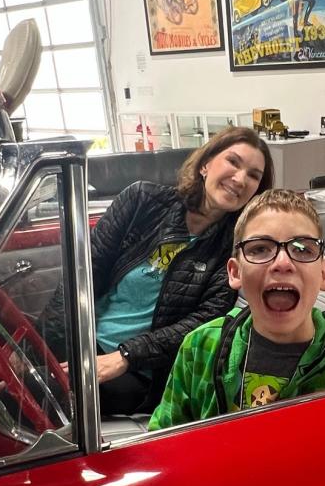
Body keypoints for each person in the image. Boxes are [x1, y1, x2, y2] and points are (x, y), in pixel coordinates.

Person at [46, 127, 273, 414]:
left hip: (138, 371)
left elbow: (200, 323)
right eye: (233, 162)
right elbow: (83, 275)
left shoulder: (235, 248)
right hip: (84, 341)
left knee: (29, 398)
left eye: (254, 175)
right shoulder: (141, 200)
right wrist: (42, 343)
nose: (240, 179)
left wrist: (126, 356)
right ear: (205, 164)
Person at [148, 189, 325, 429]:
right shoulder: (199, 347)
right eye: (260, 248)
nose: (282, 263)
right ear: (235, 272)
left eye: (302, 249)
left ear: (324, 274)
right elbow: (160, 442)